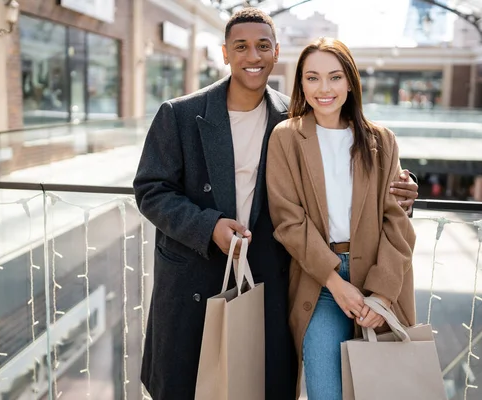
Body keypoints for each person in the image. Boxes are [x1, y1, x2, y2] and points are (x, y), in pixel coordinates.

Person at [134, 9, 418, 400]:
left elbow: (364, 179)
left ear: (276, 52)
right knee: (189, 384)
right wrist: (208, 226)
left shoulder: (293, 118)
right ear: (225, 53)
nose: (253, 56)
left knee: (259, 383)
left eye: (263, 46)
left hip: (268, 273)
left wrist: (405, 186)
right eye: (241, 47)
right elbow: (151, 190)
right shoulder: (181, 114)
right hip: (194, 273)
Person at [266, 38, 417, 400]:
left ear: (350, 82)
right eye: (312, 78)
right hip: (319, 283)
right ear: (301, 84)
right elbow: (289, 221)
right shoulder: (286, 138)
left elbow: (396, 221)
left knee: (380, 390)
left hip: (379, 279)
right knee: (325, 392)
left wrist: (381, 295)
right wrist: (335, 282)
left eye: (334, 77)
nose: (325, 89)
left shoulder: (381, 140)